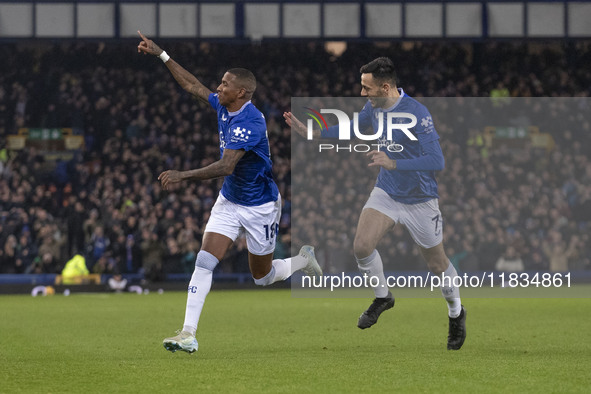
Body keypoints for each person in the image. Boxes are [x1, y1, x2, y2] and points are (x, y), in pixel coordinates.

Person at [137, 32, 322, 354]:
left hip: (260, 206)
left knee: (262, 278)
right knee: (204, 262)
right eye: (220, 84)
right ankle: (188, 333)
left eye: (224, 85)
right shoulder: (226, 107)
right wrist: (162, 54)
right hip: (230, 201)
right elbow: (193, 86)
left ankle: (302, 260)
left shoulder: (250, 122)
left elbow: (226, 166)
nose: (218, 88)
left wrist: (184, 175)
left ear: (241, 92)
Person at [284, 57, 466, 350]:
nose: (362, 94)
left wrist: (394, 162)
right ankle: (383, 297)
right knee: (362, 245)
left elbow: (437, 160)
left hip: (421, 199)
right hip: (387, 192)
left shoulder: (418, 114)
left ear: (385, 87)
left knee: (437, 263)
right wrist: (313, 133)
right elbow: (355, 127)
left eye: (366, 88)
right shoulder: (374, 108)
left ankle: (456, 313)